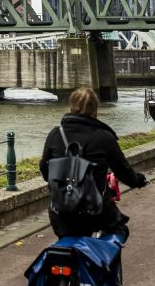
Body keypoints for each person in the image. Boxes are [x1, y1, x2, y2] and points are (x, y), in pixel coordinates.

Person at [40, 86, 147, 242]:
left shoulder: (55, 134)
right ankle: (105, 265)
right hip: (95, 213)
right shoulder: (104, 137)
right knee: (120, 230)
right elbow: (123, 172)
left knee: (64, 235)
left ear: (70, 107)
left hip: (60, 214)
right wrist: (138, 180)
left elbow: (44, 169)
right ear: (95, 110)